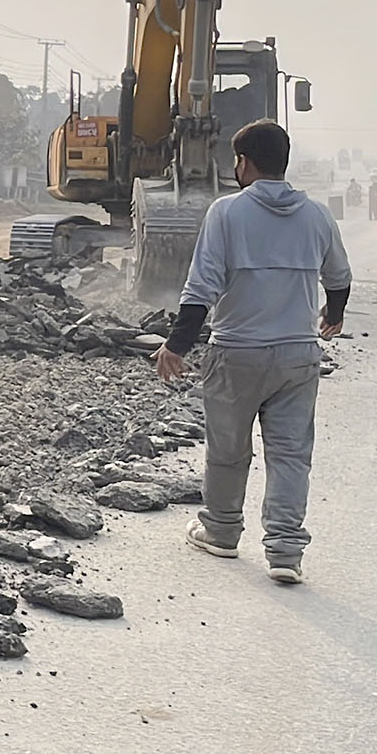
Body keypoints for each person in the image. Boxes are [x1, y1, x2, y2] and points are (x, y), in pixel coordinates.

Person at [155, 120, 351, 585]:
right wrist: (334, 313)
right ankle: (285, 552)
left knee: (228, 450)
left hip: (236, 353)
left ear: (243, 163)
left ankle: (222, 531)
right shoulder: (317, 215)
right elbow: (340, 277)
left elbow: (201, 287)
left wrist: (176, 344)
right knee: (290, 455)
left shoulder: (227, 212)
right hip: (297, 356)